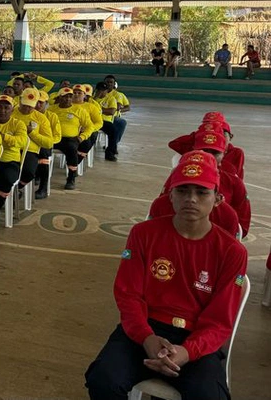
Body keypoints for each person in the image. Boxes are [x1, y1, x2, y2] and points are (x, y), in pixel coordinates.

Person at [84, 151, 247, 400]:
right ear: (170, 195)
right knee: (103, 380)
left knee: (210, 395)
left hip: (196, 340)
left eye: (202, 192)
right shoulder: (143, 234)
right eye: (182, 191)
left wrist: (187, 351)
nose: (191, 199)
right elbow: (128, 295)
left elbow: (220, 319)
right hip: (144, 329)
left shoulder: (231, 251)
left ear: (217, 199)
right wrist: (146, 338)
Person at [0, 96, 30, 227]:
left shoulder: (18, 124)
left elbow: (21, 142)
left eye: (6, 107)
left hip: (9, 161)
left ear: (12, 110)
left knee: (5, 179)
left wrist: (3, 137)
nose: (2, 110)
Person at [12, 89, 54, 199]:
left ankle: (16, 189)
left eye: (30, 106)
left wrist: (32, 132)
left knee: (29, 171)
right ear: (20, 100)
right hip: (11, 148)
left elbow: (48, 143)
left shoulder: (41, 118)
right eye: (24, 104)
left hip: (30, 151)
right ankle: (6, 190)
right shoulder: (11, 112)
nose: (27, 108)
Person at [47, 87, 90, 190]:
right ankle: (40, 175)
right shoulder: (51, 109)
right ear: (59, 98)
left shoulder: (79, 110)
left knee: (72, 148)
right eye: (65, 97)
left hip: (70, 139)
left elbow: (89, 126)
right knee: (42, 147)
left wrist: (81, 137)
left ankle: (71, 178)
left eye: (70, 96)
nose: (68, 99)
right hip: (54, 137)